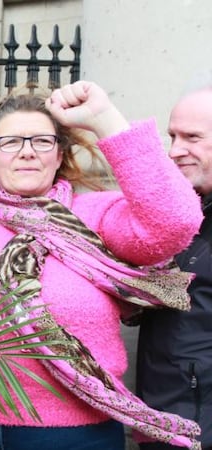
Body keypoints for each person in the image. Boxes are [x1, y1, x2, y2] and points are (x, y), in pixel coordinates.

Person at [0, 81, 203, 449]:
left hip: (73, 435)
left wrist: (105, 120)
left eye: (42, 141)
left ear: (59, 155)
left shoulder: (96, 215)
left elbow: (174, 222)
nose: (26, 153)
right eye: (11, 141)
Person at [136, 82, 212, 449]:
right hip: (165, 420)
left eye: (192, 137)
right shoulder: (182, 211)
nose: (175, 150)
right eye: (172, 136)